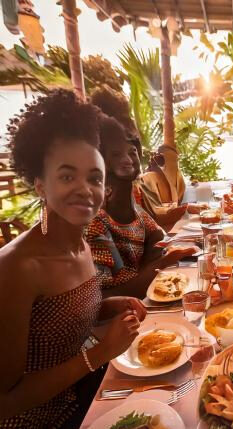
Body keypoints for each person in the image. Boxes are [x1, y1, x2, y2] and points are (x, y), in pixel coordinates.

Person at [0, 90, 145, 428]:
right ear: (40, 184)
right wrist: (97, 355)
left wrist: (107, 306)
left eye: (94, 178)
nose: (84, 189)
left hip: (89, 398)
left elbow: (56, 323)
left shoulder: (78, 244)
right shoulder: (16, 268)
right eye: (67, 176)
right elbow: (3, 402)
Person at [85, 114, 195, 298]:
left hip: (151, 300)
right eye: (116, 154)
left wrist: (160, 257)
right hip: (121, 319)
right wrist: (164, 261)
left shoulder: (135, 208)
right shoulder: (97, 222)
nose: (128, 159)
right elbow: (108, 296)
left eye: (132, 152)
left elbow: (158, 241)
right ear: (101, 162)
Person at [89, 87, 202, 228]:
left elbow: (149, 224)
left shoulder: (129, 187)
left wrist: (186, 209)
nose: (129, 160)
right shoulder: (97, 201)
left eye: (132, 152)